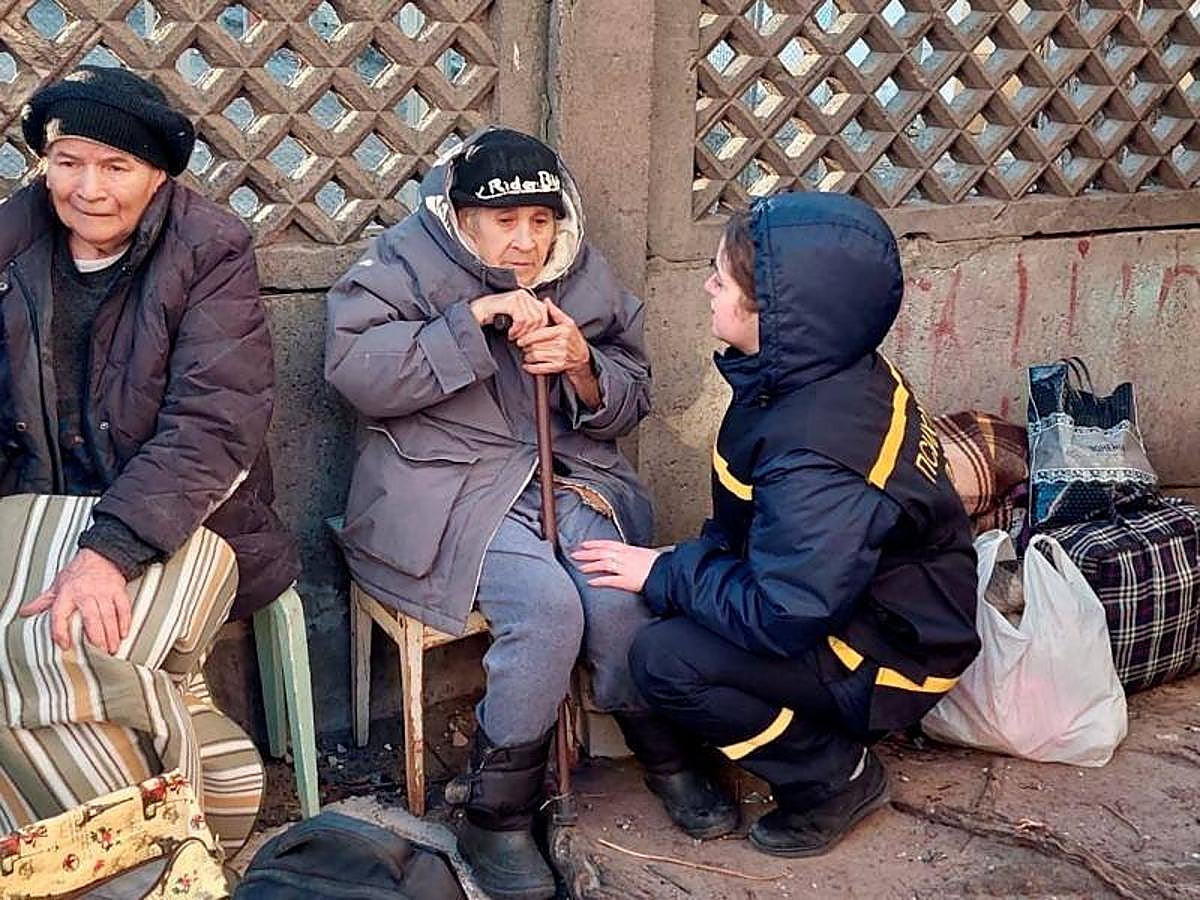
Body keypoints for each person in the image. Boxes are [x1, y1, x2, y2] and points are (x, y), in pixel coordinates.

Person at [325, 127, 734, 899]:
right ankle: (496, 811)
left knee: (616, 598)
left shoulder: (581, 270)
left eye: (540, 221)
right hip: (445, 490)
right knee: (547, 611)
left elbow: (630, 394)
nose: (525, 240)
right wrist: (469, 324)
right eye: (504, 222)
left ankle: (661, 751)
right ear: (462, 217)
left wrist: (583, 367)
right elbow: (355, 374)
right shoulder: (401, 262)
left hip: (567, 478)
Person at [575, 191, 981, 858]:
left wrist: (668, 569)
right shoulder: (816, 371)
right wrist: (684, 568)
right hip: (863, 604)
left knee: (664, 660)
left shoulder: (818, 453)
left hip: (894, 653)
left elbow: (781, 611)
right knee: (674, 613)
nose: (706, 286)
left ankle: (833, 776)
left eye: (721, 278)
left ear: (780, 314)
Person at [0, 64, 299, 849]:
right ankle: (185, 764)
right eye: (67, 162)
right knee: (21, 663)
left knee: (62, 651)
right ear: (43, 163)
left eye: (115, 166)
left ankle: (139, 859)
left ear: (157, 174)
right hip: (35, 511)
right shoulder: (12, 240)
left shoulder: (210, 249)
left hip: (179, 519)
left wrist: (110, 550)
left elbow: (216, 421)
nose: (88, 189)